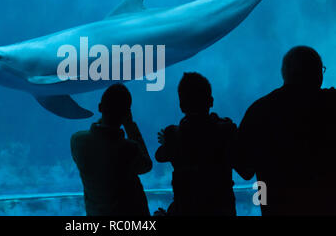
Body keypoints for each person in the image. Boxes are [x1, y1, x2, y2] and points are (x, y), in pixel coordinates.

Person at [233, 46, 336, 215]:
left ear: (284, 73)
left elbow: (244, 169)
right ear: (319, 74)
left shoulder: (260, 111)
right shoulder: (332, 104)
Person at [155, 72, 236, 216]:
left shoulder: (174, 134)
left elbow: (160, 156)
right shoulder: (226, 130)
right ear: (211, 101)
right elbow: (246, 169)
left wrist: (169, 141)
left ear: (181, 106)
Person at [71, 84, 152, 216]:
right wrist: (130, 126)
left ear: (100, 107)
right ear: (127, 114)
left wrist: (104, 120)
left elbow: (100, 141)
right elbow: (146, 165)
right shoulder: (129, 148)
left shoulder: (77, 141)